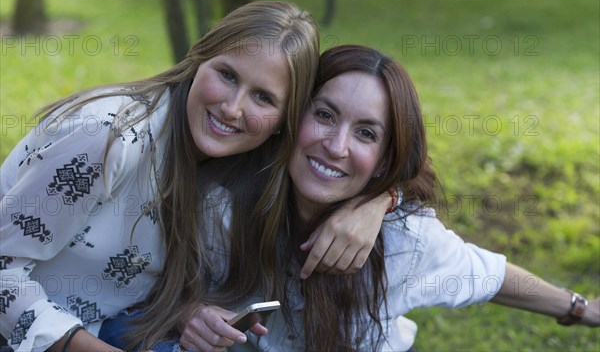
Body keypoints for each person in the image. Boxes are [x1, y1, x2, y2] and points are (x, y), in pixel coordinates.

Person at [148, 45, 598, 351]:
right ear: (292, 116)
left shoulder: (403, 240)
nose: (336, 145)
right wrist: (190, 315)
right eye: (324, 115)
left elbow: (491, 275)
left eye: (366, 133)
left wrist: (581, 309)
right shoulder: (223, 208)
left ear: (384, 159)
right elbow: (154, 293)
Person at [0, 4, 391, 352]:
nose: (232, 108)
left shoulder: (246, 163)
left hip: (111, 326)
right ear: (198, 59)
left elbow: (370, 160)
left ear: (282, 123)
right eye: (227, 74)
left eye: (263, 98)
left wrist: (378, 201)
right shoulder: (108, 138)